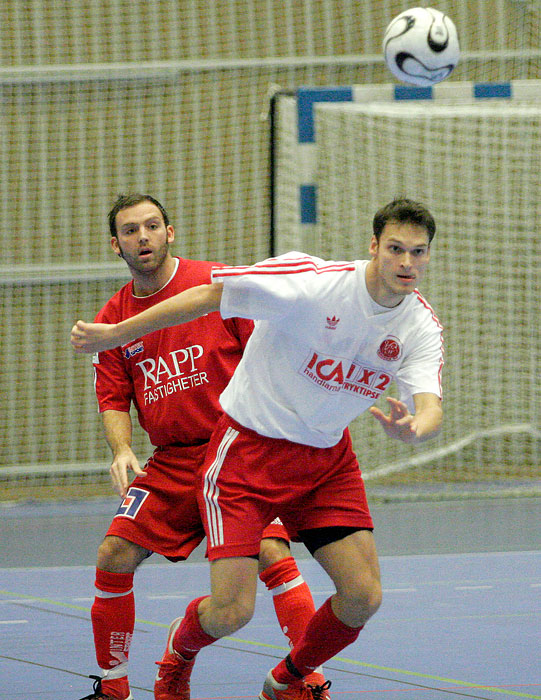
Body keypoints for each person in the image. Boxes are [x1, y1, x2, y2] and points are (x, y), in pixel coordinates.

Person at [72, 198, 444, 700]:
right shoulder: (312, 282)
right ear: (374, 246)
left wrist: (415, 429)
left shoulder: (420, 325)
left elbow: (429, 404)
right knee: (231, 611)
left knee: (363, 597)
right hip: (246, 452)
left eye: (417, 253)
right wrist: (116, 336)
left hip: (325, 460)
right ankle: (174, 657)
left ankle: (287, 680)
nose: (406, 263)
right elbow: (210, 296)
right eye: (396, 249)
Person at [76, 194, 328, 700]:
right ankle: (114, 685)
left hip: (236, 448)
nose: (142, 237)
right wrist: (121, 449)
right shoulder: (115, 317)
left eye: (151, 226)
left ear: (170, 233)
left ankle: (304, 681)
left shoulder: (220, 286)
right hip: (171, 461)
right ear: (115, 245)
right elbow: (113, 397)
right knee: (114, 553)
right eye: (130, 231)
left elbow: (270, 348)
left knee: (271, 549)